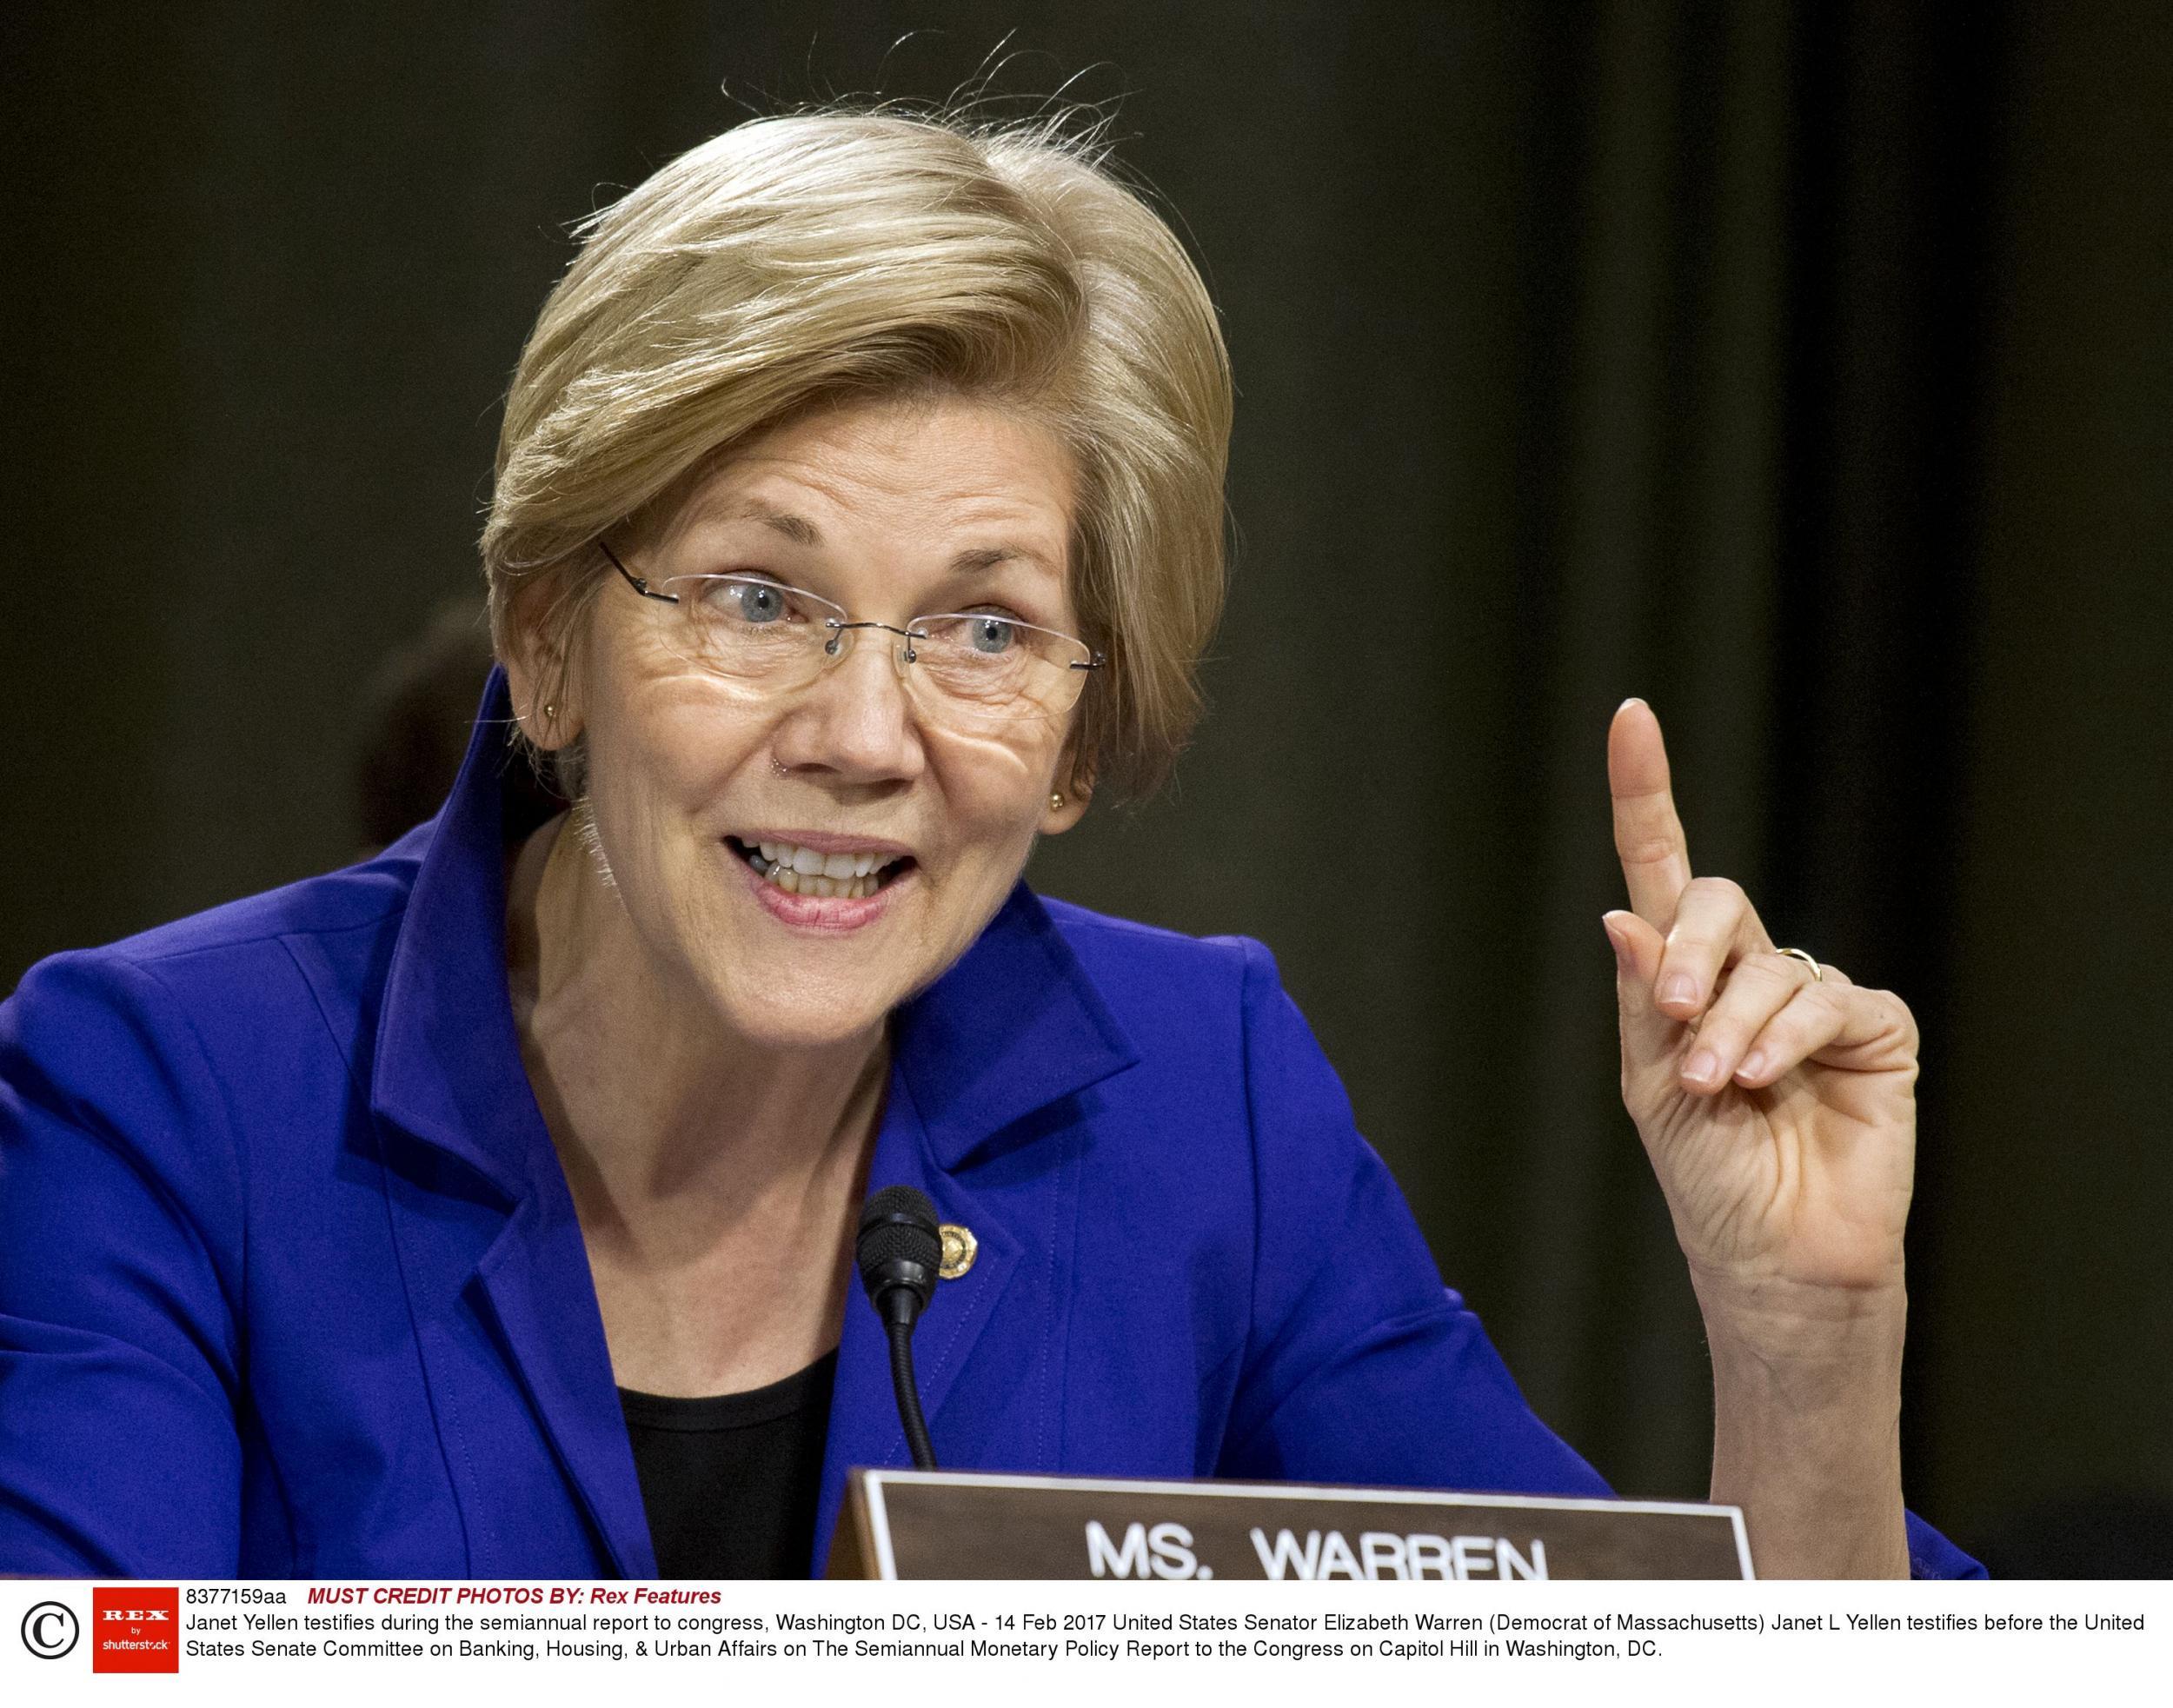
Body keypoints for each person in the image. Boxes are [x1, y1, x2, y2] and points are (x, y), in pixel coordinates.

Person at [0, 110, 1979, 1580]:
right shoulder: (168, 1092)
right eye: (757, 597)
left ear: (1077, 740)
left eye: (984, 630)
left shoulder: (1195, 1101)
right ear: (547, 642)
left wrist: (1802, 1339)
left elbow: (1603, 1672)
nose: (866, 737)